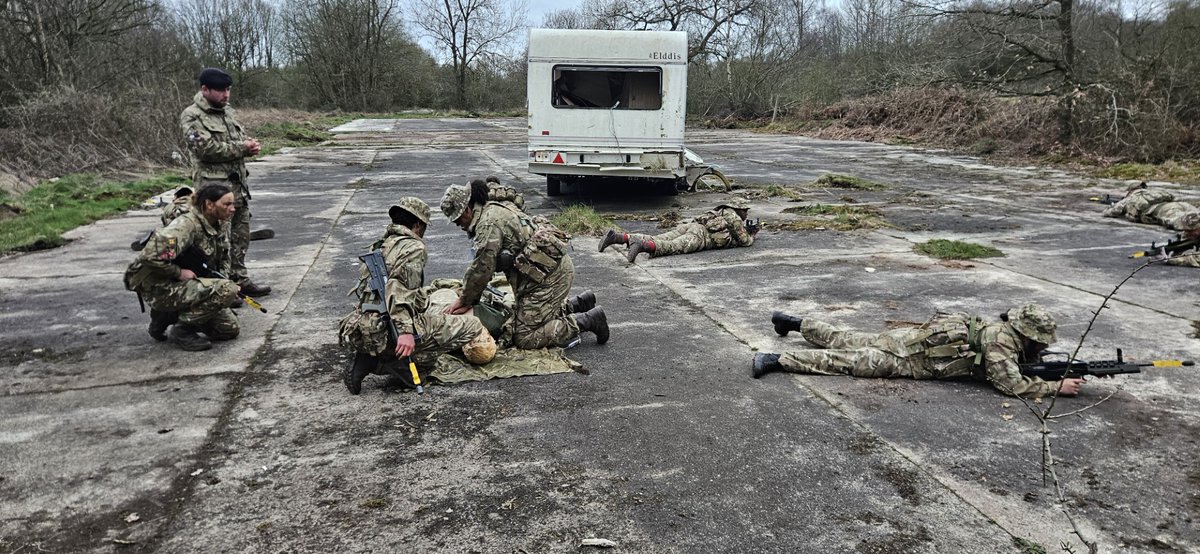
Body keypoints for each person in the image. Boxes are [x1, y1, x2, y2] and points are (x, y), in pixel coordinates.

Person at [338, 197, 498, 395]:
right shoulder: (413, 248)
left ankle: (373, 358)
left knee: (429, 310)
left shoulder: (381, 246)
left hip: (370, 324)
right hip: (392, 326)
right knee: (471, 326)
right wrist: (405, 332)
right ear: (417, 224)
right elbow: (400, 290)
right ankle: (387, 364)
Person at [752, 304, 1086, 398]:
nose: (1043, 346)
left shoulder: (999, 331)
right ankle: (776, 359)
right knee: (842, 360)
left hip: (904, 339)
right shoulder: (1001, 344)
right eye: (1042, 340)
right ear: (1029, 335)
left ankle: (792, 322)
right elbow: (1010, 385)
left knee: (844, 337)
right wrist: (1057, 387)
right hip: (907, 360)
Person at [440, 181, 609, 349]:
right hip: (544, 274)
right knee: (521, 317)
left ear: (467, 209)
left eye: (458, 220)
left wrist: (464, 300)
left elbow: (482, 269)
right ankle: (579, 303)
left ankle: (588, 320)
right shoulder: (493, 206)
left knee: (524, 336)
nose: (459, 226)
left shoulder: (488, 224)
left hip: (549, 279)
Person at [180, 67, 271, 298]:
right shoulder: (192, 116)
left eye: (228, 89)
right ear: (205, 89)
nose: (226, 95)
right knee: (220, 242)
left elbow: (236, 141)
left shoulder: (228, 113)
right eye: (220, 90)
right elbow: (204, 149)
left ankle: (240, 280)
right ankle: (222, 289)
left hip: (238, 189)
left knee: (240, 236)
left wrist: (249, 145)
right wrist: (242, 148)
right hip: (214, 194)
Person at [123, 184, 242, 351]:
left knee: (228, 329)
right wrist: (178, 272)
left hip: (183, 285)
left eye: (233, 204)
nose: (232, 209)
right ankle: (181, 330)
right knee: (225, 290)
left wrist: (223, 282)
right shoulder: (185, 226)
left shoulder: (218, 224)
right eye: (227, 204)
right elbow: (149, 257)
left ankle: (165, 316)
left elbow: (223, 258)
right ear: (209, 205)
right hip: (160, 287)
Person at [598, 198, 758, 263]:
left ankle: (619, 237)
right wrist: (752, 235)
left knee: (662, 237)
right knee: (673, 247)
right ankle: (643, 246)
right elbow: (744, 242)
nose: (747, 214)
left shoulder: (722, 210)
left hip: (692, 226)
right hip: (701, 236)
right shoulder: (734, 217)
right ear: (739, 209)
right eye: (746, 210)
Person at [1102, 182, 1199, 232]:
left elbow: (1112, 212)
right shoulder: (1153, 192)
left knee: (1184, 224)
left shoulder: (1133, 196)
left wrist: (1109, 208)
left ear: (1130, 191)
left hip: (1163, 210)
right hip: (1179, 204)